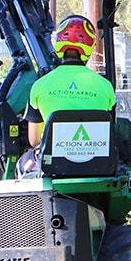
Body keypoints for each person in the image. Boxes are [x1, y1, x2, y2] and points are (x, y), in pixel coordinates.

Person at [16, 14, 115, 177]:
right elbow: (110, 129)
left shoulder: (39, 86)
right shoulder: (105, 86)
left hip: (54, 167)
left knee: (23, 163)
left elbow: (34, 141)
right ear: (90, 47)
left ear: (59, 45)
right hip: (98, 166)